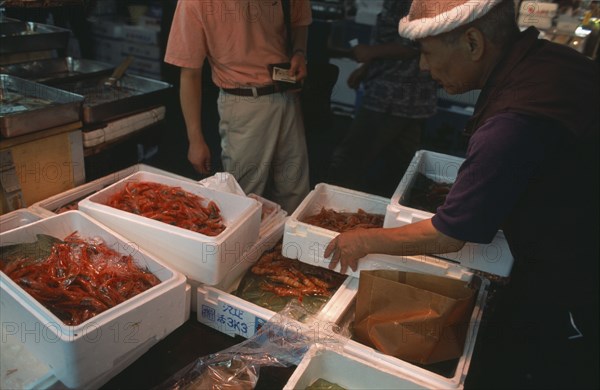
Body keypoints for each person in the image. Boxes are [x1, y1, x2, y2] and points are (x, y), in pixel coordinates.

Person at [324, 0, 599, 388]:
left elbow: (451, 234)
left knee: (548, 367)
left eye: (426, 52)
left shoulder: (514, 120)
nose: (422, 67)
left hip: (578, 279)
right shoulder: (550, 60)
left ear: (472, 42)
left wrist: (365, 240)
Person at [164, 0, 312, 214]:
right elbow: (189, 73)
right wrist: (195, 139)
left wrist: (299, 51)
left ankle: (290, 244)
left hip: (287, 96)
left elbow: (300, 19)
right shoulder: (194, 3)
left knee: (295, 194)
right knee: (243, 199)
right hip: (242, 104)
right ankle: (243, 246)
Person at [327, 0, 437, 198]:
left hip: (391, 98)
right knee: (399, 169)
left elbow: (414, 45)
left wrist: (370, 52)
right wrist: (367, 67)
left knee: (349, 162)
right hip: (407, 99)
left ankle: (334, 206)